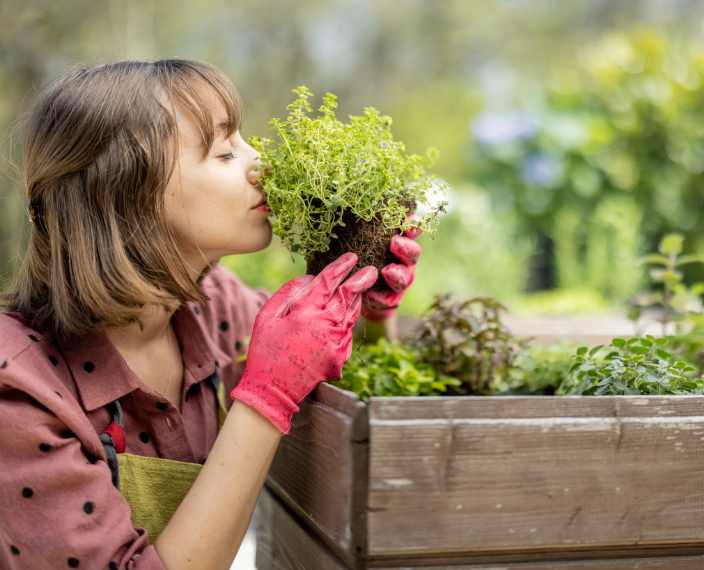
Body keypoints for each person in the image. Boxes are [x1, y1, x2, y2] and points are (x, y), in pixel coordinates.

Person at [0, 60, 422, 569]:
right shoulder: (19, 392)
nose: (260, 164)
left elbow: (331, 382)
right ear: (125, 196)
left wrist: (365, 312)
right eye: (223, 153)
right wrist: (267, 398)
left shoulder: (212, 304)